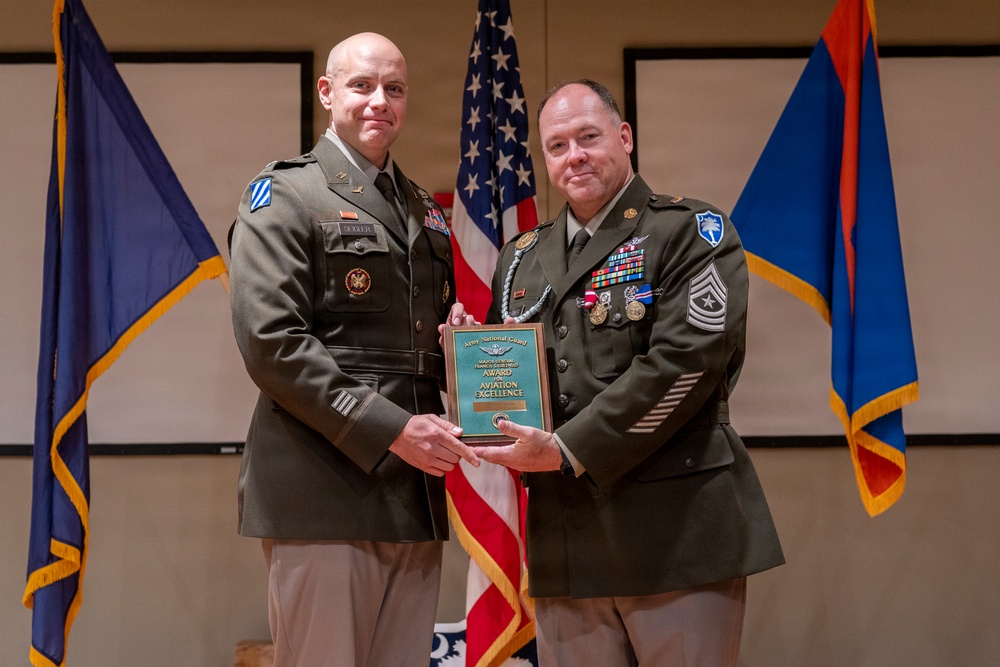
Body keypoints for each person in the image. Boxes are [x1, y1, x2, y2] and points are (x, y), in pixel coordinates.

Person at [473, 79, 784, 666]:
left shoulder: (688, 233)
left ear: (625, 137)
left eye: (589, 137)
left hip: (676, 534)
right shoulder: (521, 259)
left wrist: (566, 447)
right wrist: (461, 352)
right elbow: (508, 382)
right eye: (558, 146)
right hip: (567, 540)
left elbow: (686, 364)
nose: (576, 156)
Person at [229, 32, 480, 667]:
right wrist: (393, 431)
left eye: (394, 89)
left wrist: (463, 347)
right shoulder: (286, 194)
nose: (379, 102)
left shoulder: (423, 209)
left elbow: (421, 344)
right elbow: (272, 344)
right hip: (325, 489)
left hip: (413, 491)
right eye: (362, 86)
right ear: (327, 93)